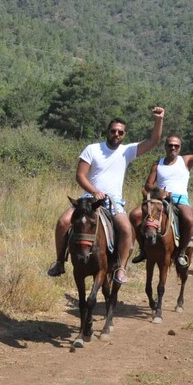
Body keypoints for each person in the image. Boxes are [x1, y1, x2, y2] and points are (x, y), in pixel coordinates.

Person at [46, 107, 166, 284]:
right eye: (113, 131)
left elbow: (153, 140)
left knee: (126, 230)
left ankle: (121, 269)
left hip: (114, 201)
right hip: (88, 199)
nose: (116, 134)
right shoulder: (92, 149)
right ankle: (59, 262)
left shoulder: (127, 151)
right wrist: (94, 191)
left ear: (124, 135)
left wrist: (158, 120)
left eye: (120, 132)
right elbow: (80, 175)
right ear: (107, 132)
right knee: (63, 222)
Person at [130, 125, 193, 266]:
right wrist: (160, 191)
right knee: (134, 215)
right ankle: (143, 249)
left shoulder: (186, 161)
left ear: (180, 147)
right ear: (165, 147)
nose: (173, 148)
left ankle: (181, 252)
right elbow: (148, 185)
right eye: (170, 145)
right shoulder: (158, 164)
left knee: (188, 219)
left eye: (176, 146)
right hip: (160, 200)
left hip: (180, 199)